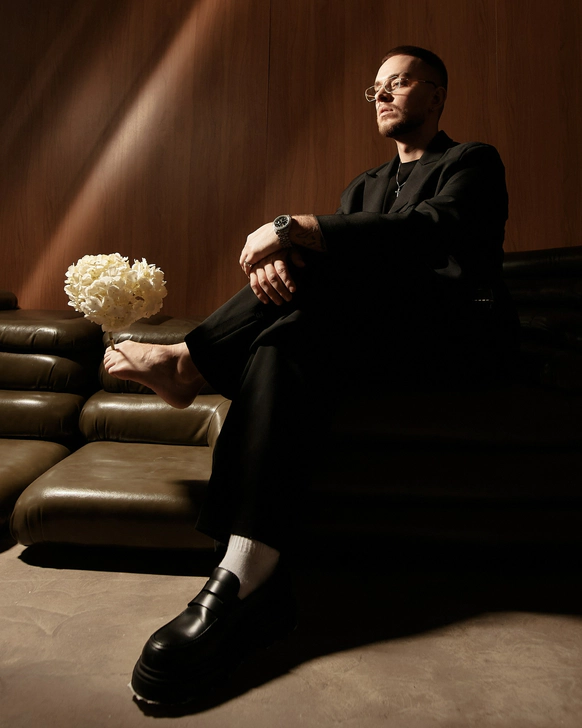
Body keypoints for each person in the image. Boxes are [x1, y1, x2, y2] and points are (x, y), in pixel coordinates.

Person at [103, 46, 517, 705]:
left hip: (449, 338)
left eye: (399, 82)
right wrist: (291, 253)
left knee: (317, 259)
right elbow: (345, 259)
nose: (382, 95)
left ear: (437, 95)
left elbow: (427, 235)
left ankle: (189, 362)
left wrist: (294, 231)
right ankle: (246, 574)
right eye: (375, 88)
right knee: (285, 341)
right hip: (366, 339)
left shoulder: (471, 162)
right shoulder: (363, 184)